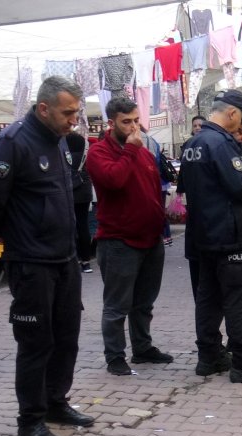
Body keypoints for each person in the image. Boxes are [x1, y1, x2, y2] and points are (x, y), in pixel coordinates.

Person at [0, 76, 95, 436]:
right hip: (31, 262)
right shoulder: (13, 143)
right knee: (36, 342)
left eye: (76, 112)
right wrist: (19, 238)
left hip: (65, 259)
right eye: (68, 112)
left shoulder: (58, 140)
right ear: (44, 108)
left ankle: (56, 402)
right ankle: (30, 420)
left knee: (66, 338)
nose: (73, 119)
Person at [179, 89, 242, 383]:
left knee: (208, 298)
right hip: (229, 235)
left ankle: (209, 357)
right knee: (240, 299)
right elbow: (240, 187)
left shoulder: (193, 143)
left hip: (203, 236)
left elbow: (185, 187)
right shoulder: (221, 143)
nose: (241, 126)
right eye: (241, 119)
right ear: (232, 113)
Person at [86, 97, 173, 377]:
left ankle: (142, 347)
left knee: (144, 302)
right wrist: (131, 151)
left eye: (136, 120)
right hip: (118, 241)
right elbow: (114, 180)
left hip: (150, 238)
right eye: (127, 122)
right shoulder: (99, 152)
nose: (134, 127)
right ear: (111, 123)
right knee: (117, 305)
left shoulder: (144, 153)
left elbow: (153, 189)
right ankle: (115, 357)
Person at [65, 130, 95, 273]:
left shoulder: (66, 155)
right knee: (83, 225)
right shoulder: (86, 153)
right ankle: (86, 261)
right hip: (84, 189)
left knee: (71, 225)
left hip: (70, 190)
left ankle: (74, 258)